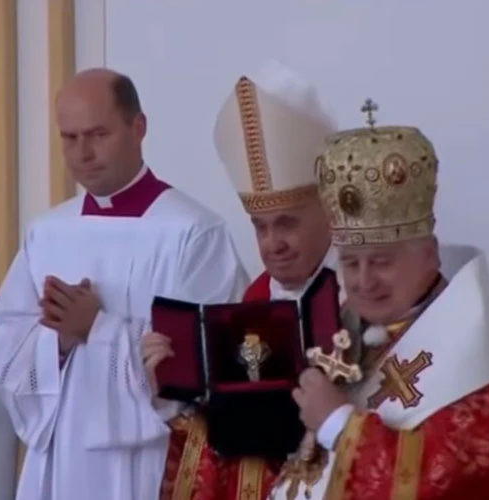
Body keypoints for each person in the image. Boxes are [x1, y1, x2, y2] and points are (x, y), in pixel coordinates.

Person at [0, 68, 250, 500]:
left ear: (137, 128)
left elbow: (216, 358)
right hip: (63, 458)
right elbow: (0, 348)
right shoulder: (47, 234)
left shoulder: (192, 232)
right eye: (69, 138)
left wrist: (96, 329)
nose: (83, 152)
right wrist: (59, 344)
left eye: (98, 134)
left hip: (153, 462)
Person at [269, 117, 489, 499]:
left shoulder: (476, 366)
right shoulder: (348, 334)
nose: (363, 281)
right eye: (351, 263)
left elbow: (442, 482)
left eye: (382, 261)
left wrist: (339, 424)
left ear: (430, 255)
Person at [142, 61, 343, 499]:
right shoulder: (251, 303)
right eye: (259, 226)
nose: (272, 244)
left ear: (329, 212)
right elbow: (216, 445)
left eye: (287, 223)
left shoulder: (363, 300)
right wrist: (170, 392)